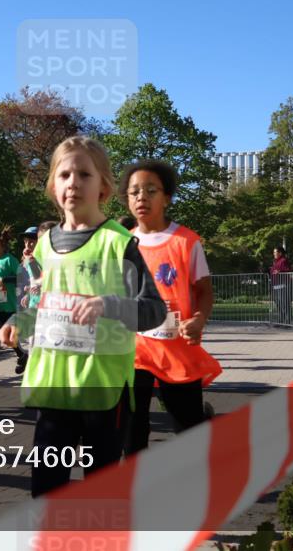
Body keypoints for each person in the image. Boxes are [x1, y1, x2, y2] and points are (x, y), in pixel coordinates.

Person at [0, 136, 166, 496]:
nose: (72, 182)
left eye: (84, 174)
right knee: (46, 489)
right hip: (53, 387)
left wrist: (108, 305)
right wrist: (17, 322)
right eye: (64, 174)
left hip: (101, 391)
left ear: (104, 188)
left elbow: (154, 310)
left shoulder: (118, 243)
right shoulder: (44, 245)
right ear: (52, 186)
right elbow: (34, 301)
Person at [119, 160, 221, 454]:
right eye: (134, 191)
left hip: (175, 349)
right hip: (133, 350)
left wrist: (199, 319)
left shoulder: (186, 242)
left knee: (187, 426)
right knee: (132, 428)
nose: (141, 197)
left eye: (151, 190)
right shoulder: (121, 244)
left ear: (167, 198)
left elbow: (204, 291)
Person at [0, 226, 27, 385]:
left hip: (7, 305)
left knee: (8, 337)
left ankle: (22, 355)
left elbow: (22, 278)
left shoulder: (10, 260)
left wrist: (4, 280)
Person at [269, 246, 293, 325]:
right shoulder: (275, 261)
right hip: (275, 285)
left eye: (275, 252)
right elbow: (272, 271)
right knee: (278, 304)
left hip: (283, 285)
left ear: (280, 253)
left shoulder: (284, 260)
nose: (274, 254)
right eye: (274, 252)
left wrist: (280, 271)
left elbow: (289, 270)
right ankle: (281, 321)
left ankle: (287, 322)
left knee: (285, 304)